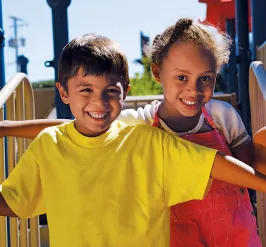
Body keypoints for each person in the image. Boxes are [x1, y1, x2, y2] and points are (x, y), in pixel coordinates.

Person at [0, 21, 266, 247]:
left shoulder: (219, 116)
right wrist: (7, 127)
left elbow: (237, 172)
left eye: (205, 78)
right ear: (157, 73)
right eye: (182, 78)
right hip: (182, 233)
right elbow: (66, 131)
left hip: (233, 227)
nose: (194, 90)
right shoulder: (139, 125)